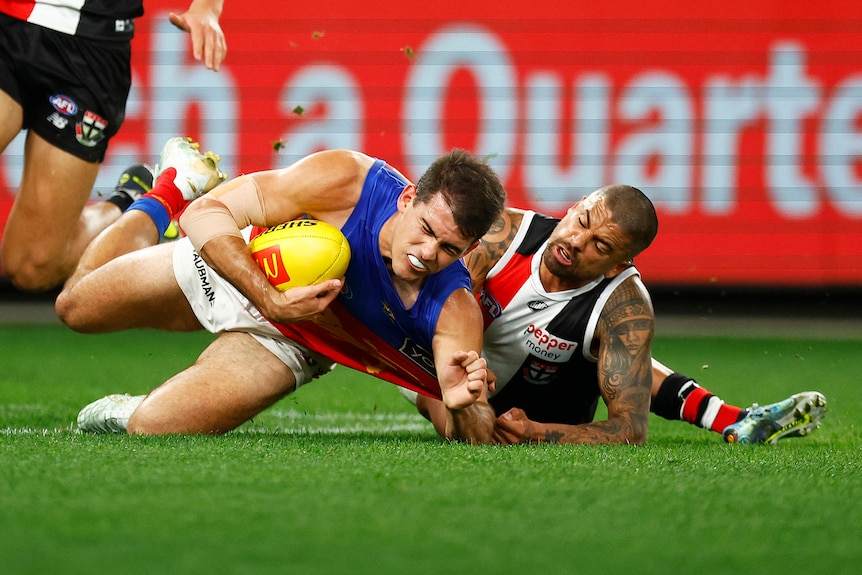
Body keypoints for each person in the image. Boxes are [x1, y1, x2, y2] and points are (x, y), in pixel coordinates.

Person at [58, 136, 508, 443]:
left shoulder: (454, 309)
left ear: (469, 248)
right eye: (426, 229)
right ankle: (167, 192)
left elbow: (475, 428)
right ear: (407, 199)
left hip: (292, 342)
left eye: (450, 248)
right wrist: (268, 297)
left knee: (152, 428)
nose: (427, 254)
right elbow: (205, 214)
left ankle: (139, 408)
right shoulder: (349, 181)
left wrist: (462, 406)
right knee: (74, 308)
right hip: (247, 265)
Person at [405, 202, 827, 445]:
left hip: (552, 401)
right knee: (454, 416)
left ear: (617, 265)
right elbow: (431, 300)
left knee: (622, 355)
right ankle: (730, 417)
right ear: (572, 208)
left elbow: (629, 429)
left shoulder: (625, 304)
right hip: (448, 365)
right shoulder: (504, 235)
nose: (574, 242)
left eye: (599, 246)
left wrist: (538, 432)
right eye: (581, 221)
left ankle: (735, 420)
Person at [0, 0, 228, 291]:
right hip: (8, 18)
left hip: (90, 47)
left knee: (32, 265)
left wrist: (207, 7)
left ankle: (133, 203)